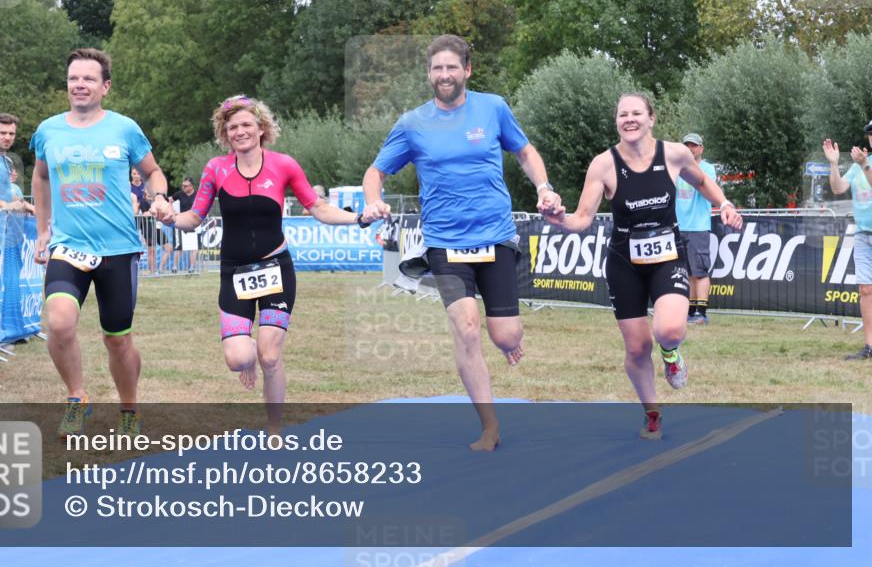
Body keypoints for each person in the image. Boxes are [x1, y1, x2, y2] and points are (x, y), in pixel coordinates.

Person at [360, 34, 561, 451]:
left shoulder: (493, 108)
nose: (445, 75)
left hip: (495, 237)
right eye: (437, 68)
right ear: (428, 73)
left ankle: (506, 338)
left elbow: (525, 152)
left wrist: (544, 187)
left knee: (504, 335)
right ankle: (489, 426)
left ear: (467, 70)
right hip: (444, 242)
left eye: (452, 67)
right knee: (467, 329)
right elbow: (376, 171)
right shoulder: (412, 123)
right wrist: (373, 200)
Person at [156, 94, 368, 433]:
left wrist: (358, 218)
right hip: (234, 272)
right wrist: (169, 219)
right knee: (238, 358)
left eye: (246, 125)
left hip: (276, 270)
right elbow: (194, 217)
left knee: (271, 356)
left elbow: (319, 209)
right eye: (233, 127)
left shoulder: (284, 165)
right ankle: (249, 355)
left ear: (261, 128)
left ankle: (274, 428)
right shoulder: (216, 168)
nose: (240, 131)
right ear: (225, 134)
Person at [544, 93, 743, 439]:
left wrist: (723, 203)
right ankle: (652, 413)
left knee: (669, 330)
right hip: (624, 261)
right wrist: (559, 218)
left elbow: (703, 182)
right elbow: (582, 219)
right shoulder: (603, 165)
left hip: (668, 255)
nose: (630, 119)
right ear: (617, 121)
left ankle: (671, 354)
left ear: (651, 118)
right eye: (623, 114)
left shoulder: (675, 154)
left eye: (637, 113)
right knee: (636, 347)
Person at [30, 48, 168, 438]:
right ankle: (77, 398)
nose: (80, 85)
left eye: (89, 79)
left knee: (117, 340)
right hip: (68, 246)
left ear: (105, 87)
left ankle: (129, 408)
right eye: (74, 78)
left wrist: (157, 197)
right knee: (59, 323)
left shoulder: (124, 128)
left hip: (117, 249)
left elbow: (154, 172)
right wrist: (44, 230)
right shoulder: (48, 131)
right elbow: (40, 178)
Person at [824, 125, 872, 360]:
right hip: (863, 235)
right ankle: (869, 346)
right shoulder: (858, 165)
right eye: (870, 134)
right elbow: (837, 187)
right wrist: (833, 164)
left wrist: (865, 165)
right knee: (865, 290)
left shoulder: (863, 164)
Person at [676, 132, 718, 325]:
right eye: (687, 145)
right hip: (679, 226)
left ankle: (701, 313)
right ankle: (691, 311)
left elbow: (704, 186)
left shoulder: (708, 169)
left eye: (694, 146)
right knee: (688, 273)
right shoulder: (676, 168)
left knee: (700, 272)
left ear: (701, 149)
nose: (690, 149)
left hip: (698, 226)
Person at [170, 176, 197, 271]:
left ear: (191, 186)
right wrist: (173, 212)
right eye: (183, 186)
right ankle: (174, 267)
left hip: (194, 223)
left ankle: (192, 268)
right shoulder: (180, 194)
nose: (183, 188)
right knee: (179, 246)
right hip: (181, 222)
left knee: (193, 246)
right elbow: (169, 201)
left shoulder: (197, 195)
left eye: (185, 186)